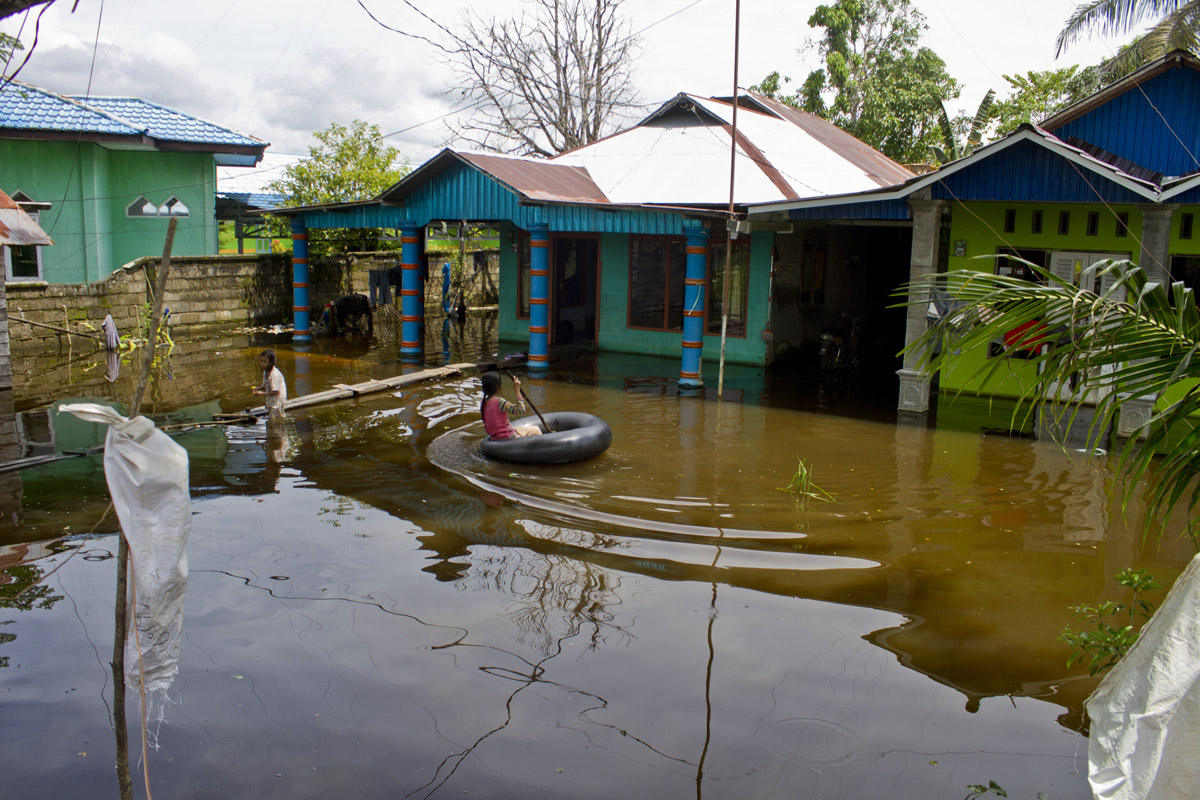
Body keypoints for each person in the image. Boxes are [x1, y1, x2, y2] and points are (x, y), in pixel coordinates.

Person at [480, 372, 541, 439]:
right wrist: (517, 390)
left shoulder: (483, 402)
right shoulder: (500, 402)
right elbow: (521, 410)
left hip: (495, 437)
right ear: (498, 386)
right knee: (536, 429)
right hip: (507, 437)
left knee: (520, 430)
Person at [253, 349, 287, 418]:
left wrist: (261, 393)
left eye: (265, 362)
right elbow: (266, 386)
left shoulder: (273, 374)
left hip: (277, 402)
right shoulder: (265, 372)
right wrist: (258, 388)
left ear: (271, 363)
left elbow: (276, 391)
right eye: (261, 361)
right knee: (272, 419)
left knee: (276, 420)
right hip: (271, 401)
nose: (262, 363)